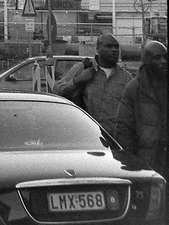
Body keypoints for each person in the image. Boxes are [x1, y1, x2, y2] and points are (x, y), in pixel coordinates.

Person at [53, 34, 132, 134]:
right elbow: (56, 90)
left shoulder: (126, 77)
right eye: (108, 46)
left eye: (116, 47)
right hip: (86, 136)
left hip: (113, 139)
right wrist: (77, 80)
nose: (114, 50)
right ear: (97, 49)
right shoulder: (81, 68)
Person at [114, 41, 167, 178]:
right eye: (157, 58)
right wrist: (131, 162)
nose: (163, 61)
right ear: (146, 60)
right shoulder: (133, 89)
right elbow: (123, 129)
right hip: (147, 161)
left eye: (165, 57)